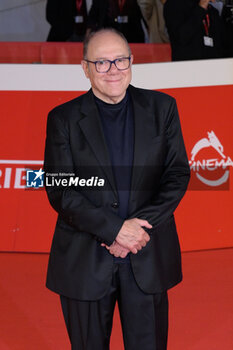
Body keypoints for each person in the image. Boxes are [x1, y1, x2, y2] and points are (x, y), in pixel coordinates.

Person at [44, 28, 190, 350]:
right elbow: (62, 189)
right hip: (85, 262)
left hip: (146, 254)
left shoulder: (162, 108)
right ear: (85, 68)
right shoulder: (62, 119)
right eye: (102, 63)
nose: (114, 70)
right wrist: (114, 230)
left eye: (121, 60)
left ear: (132, 61)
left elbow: (177, 174)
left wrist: (135, 232)